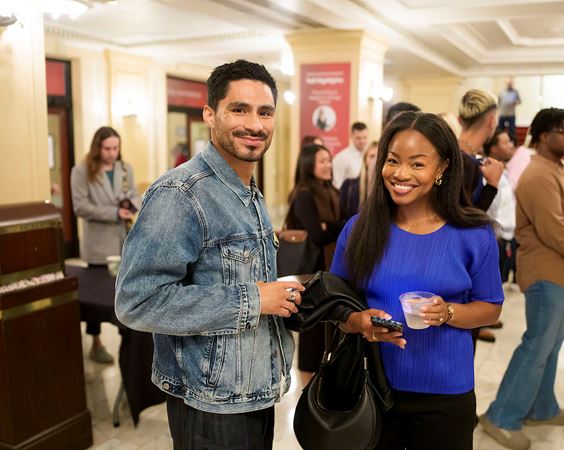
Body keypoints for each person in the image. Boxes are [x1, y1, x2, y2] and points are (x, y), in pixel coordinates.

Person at [115, 59, 305, 449]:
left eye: (265, 112)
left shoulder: (247, 192)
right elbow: (137, 300)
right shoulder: (180, 193)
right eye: (239, 109)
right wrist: (254, 299)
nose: (255, 124)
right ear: (210, 115)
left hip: (253, 393)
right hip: (209, 405)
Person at [331, 111, 504, 450]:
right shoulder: (359, 229)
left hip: (445, 392)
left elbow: (490, 308)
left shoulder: (473, 234)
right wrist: (357, 321)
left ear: (442, 169)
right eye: (393, 161)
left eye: (417, 164)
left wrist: (448, 313)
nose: (400, 174)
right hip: (373, 386)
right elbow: (335, 305)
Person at [480, 108, 564, 450]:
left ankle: (541, 406)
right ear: (543, 135)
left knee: (552, 342)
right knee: (537, 345)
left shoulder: (558, 168)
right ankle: (500, 415)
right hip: (546, 273)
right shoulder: (536, 175)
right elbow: (554, 230)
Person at [71, 126, 139, 364]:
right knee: (96, 293)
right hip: (99, 244)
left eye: (116, 148)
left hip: (123, 241)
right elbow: (80, 207)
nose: (112, 153)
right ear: (97, 148)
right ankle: (96, 341)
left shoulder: (125, 169)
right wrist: (113, 212)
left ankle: (125, 336)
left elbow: (135, 195)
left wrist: (131, 204)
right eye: (107, 148)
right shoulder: (82, 171)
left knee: (121, 291)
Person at [285, 143, 343, 385]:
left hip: (328, 271)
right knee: (312, 335)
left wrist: (329, 226)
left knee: (326, 334)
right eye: (322, 161)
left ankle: (322, 390)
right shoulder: (304, 194)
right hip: (309, 273)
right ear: (309, 165)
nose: (328, 165)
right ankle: (306, 393)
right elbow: (318, 237)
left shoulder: (332, 192)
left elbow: (344, 223)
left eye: (329, 160)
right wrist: (334, 227)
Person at [458, 89, 504, 342]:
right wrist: (493, 186)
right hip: (460, 256)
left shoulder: (456, 154)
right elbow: (464, 217)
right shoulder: (465, 162)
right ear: (491, 121)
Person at [484, 129, 517, 285]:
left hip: (507, 237)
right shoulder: (486, 171)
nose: (511, 146)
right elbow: (488, 207)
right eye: (505, 143)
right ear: (493, 148)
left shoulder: (504, 171)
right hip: (496, 237)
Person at [339, 140, 378, 219]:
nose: (375, 161)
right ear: (365, 159)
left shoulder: (389, 187)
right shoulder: (348, 186)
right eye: (372, 156)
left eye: (379, 157)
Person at [331, 121, 369, 189]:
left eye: (364, 137)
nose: (362, 141)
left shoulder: (368, 155)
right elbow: (336, 185)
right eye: (358, 138)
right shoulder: (342, 157)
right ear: (351, 136)